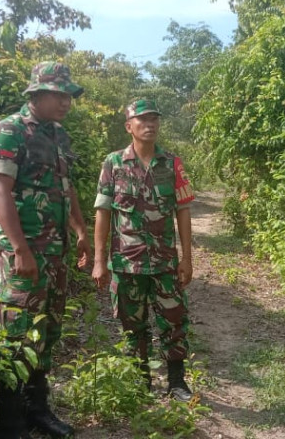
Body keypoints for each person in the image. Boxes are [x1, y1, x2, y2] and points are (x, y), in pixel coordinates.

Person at [0, 61, 90, 439]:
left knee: (48, 327)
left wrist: (80, 229)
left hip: (55, 249)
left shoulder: (59, 135)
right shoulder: (9, 130)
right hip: (24, 250)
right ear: (36, 94)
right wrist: (20, 249)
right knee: (17, 330)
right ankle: (9, 421)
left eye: (69, 96)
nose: (66, 102)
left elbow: (66, 185)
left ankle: (37, 408)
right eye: (59, 95)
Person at [91, 98, 195, 401]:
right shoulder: (113, 163)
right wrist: (99, 261)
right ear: (129, 126)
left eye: (154, 119)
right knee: (131, 324)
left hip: (165, 263)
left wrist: (187, 258)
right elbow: (103, 213)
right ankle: (140, 381)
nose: (150, 125)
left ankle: (176, 381)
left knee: (174, 321)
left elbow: (183, 211)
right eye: (142, 120)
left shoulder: (172, 163)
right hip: (126, 263)